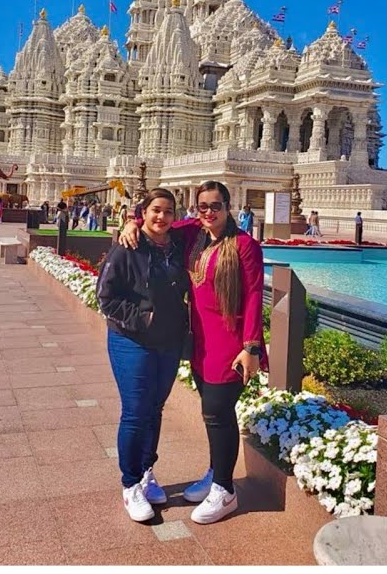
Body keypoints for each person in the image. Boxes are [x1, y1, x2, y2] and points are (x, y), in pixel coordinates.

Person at [120, 181, 268, 524]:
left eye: (216, 206)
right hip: (200, 341)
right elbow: (160, 221)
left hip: (230, 343)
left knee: (218, 413)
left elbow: (254, 295)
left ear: (229, 206)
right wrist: (132, 220)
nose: (209, 213)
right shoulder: (193, 236)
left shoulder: (245, 246)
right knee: (210, 412)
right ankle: (217, 473)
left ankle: (225, 490)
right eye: (203, 206)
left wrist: (251, 348)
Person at [97, 188, 191, 522]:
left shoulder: (177, 246)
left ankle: (147, 471)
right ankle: (130, 483)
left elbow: (210, 220)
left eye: (168, 211)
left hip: (167, 342)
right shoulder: (127, 247)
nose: (161, 217)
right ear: (143, 213)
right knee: (136, 412)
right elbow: (105, 298)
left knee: (154, 409)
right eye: (155, 211)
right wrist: (144, 318)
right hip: (131, 341)